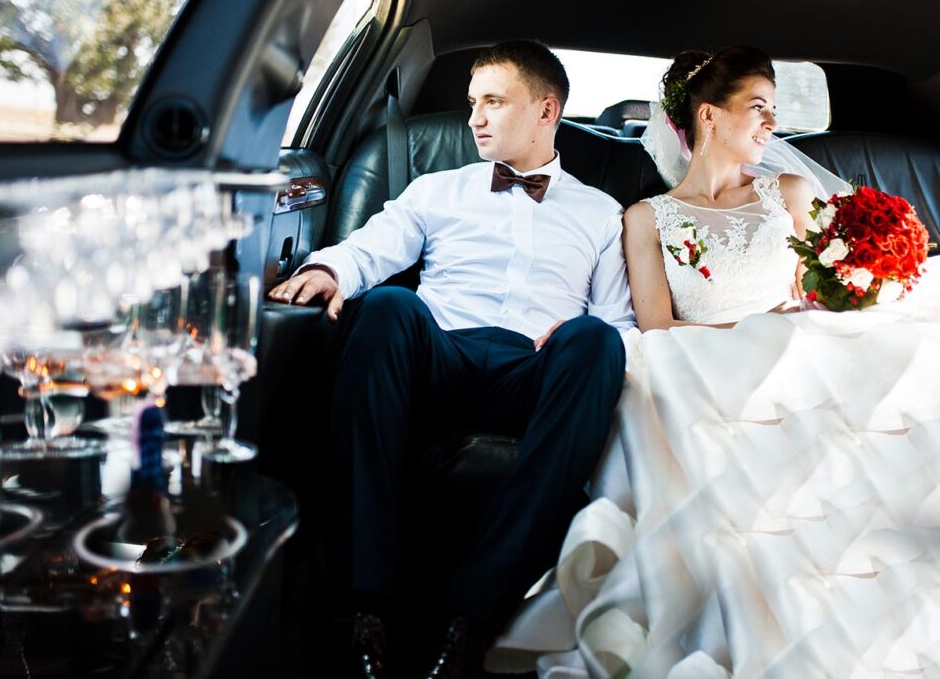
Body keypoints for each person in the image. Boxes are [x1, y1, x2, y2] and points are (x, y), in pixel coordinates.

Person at [491, 47, 940, 678]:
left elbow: (821, 292)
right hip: (706, 369)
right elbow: (656, 328)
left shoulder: (791, 191)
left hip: (800, 361)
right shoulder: (646, 219)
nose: (771, 127)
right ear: (708, 115)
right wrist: (754, 329)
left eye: (775, 113)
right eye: (758, 109)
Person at [267, 40, 635, 679]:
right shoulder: (436, 189)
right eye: (472, 103)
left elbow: (617, 324)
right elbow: (370, 247)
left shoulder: (603, 214)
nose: (475, 118)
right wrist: (327, 268)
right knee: (385, 305)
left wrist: (575, 332)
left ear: (547, 110)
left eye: (494, 102)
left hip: (532, 370)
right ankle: (363, 607)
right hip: (438, 351)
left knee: (596, 342)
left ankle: (472, 618)